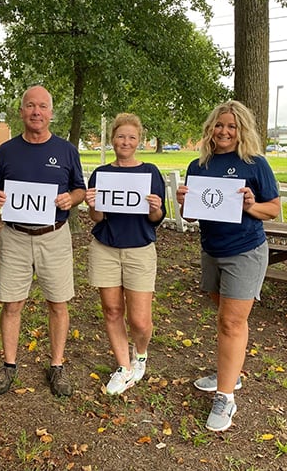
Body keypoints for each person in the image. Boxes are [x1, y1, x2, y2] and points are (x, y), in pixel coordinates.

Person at [175, 100, 280, 431]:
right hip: (212, 250)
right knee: (225, 318)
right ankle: (228, 376)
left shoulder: (255, 164)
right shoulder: (199, 165)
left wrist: (252, 205)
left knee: (233, 323)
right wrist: (183, 201)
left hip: (245, 250)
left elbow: (274, 209)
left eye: (231, 126)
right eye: (219, 125)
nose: (224, 131)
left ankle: (226, 398)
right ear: (211, 128)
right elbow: (191, 215)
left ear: (241, 130)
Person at [0, 85, 86, 397]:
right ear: (21, 112)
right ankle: (9, 365)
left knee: (58, 303)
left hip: (53, 236)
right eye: (30, 106)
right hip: (15, 236)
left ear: (51, 113)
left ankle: (56, 365)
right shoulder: (6, 151)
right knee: (12, 303)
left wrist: (72, 198)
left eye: (42, 106)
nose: (36, 112)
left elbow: (80, 189)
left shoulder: (67, 150)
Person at [84, 113, 166, 395]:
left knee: (140, 320)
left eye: (131, 137)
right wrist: (92, 204)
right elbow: (97, 217)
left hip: (140, 250)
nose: (126, 142)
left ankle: (140, 353)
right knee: (112, 310)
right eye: (121, 136)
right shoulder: (101, 173)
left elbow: (156, 218)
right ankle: (124, 367)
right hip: (105, 248)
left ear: (139, 140)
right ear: (113, 139)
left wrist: (155, 208)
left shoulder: (150, 172)